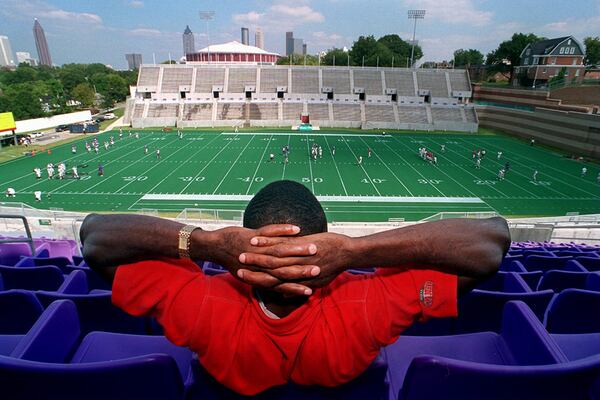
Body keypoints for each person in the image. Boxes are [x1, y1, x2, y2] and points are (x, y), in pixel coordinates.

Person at [80, 180, 510, 396]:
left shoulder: (199, 303)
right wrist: (356, 251)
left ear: (241, 254)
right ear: (324, 247)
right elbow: (491, 243)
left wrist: (206, 243)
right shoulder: (370, 304)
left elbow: (95, 237)